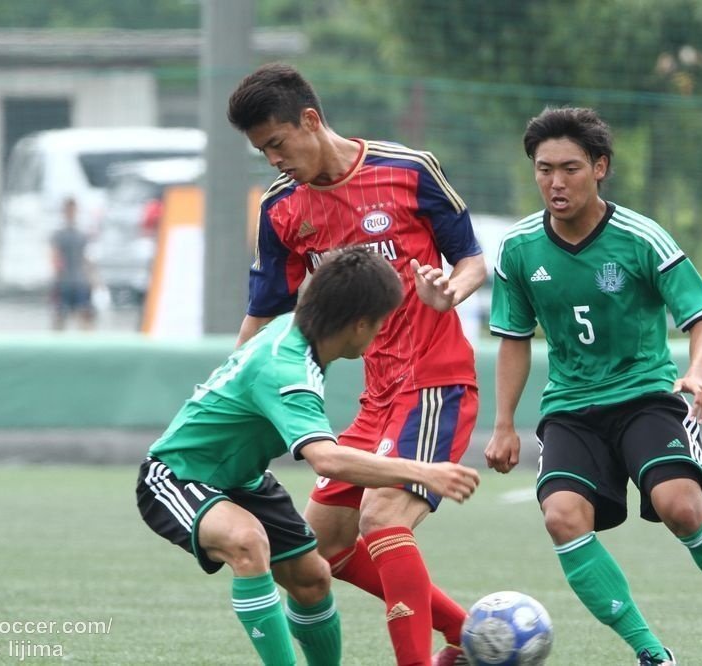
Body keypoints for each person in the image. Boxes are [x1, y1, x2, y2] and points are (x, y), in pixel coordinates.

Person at [484, 106, 702, 666]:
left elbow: (701, 318)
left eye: (571, 168)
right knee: (561, 517)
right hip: (571, 408)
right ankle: (652, 653)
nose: (556, 182)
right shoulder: (518, 249)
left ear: (600, 167)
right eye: (544, 168)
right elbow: (512, 338)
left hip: (646, 394)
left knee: (680, 506)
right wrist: (504, 423)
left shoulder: (639, 237)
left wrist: (696, 372)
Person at [227, 62, 488, 666]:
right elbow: (263, 314)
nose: (273, 159)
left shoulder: (410, 168)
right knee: (324, 548)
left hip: (434, 380)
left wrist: (450, 291)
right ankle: (468, 634)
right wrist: (227, 391)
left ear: (310, 121)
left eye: (276, 143)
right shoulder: (281, 209)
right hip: (377, 395)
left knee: (381, 516)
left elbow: (473, 260)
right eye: (261, 150)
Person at [136, 248, 480, 666]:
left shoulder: (299, 335)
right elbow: (328, 460)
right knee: (247, 542)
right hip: (177, 476)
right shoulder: (289, 367)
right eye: (380, 322)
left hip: (242, 480)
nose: (380, 334)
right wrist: (422, 471)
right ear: (359, 325)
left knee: (314, 577)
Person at [50, 197, 95, 330]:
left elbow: (86, 258)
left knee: (85, 315)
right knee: (60, 317)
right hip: (64, 281)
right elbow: (55, 257)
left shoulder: (81, 234)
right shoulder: (59, 235)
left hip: (80, 281)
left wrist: (93, 279)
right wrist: (56, 278)